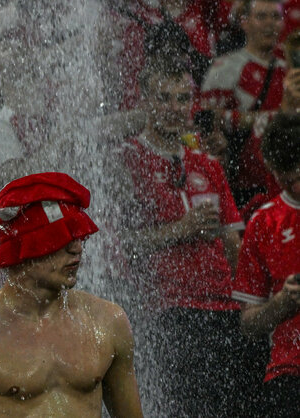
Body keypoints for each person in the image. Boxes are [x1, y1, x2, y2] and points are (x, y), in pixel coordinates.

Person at [0, 172, 142, 417]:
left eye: (78, 236)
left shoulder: (108, 323)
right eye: (61, 238)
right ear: (22, 249)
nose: (77, 248)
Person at [121, 54, 266, 416]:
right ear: (145, 100)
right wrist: (179, 231)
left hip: (225, 308)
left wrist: (250, 303)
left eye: (182, 98)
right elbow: (121, 241)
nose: (174, 108)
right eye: (163, 98)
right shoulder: (127, 159)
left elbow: (233, 242)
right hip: (171, 309)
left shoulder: (206, 163)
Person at [232, 113, 300, 418]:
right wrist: (283, 303)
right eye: (289, 178)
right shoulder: (263, 224)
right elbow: (248, 325)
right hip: (288, 372)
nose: (298, 185)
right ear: (273, 170)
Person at [201, 0, 285, 210]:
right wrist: (271, 118)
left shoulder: (289, 71)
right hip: (240, 185)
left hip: (283, 184)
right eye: (262, 16)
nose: (270, 24)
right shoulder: (226, 68)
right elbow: (205, 121)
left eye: (275, 17)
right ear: (244, 22)